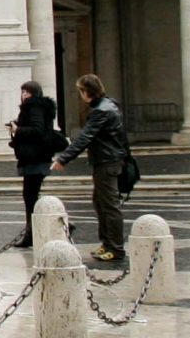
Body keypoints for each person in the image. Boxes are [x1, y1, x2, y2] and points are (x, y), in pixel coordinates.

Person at [52, 73, 136, 262]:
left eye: (80, 91)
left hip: (107, 162)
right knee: (100, 203)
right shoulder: (109, 105)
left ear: (86, 91)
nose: (80, 95)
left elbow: (85, 137)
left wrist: (64, 158)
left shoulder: (101, 111)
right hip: (109, 161)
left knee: (109, 206)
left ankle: (115, 248)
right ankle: (107, 243)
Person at [7, 79, 61, 248]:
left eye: (27, 92)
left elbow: (37, 130)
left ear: (34, 94)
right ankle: (36, 230)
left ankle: (50, 226)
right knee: (31, 195)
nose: (24, 95)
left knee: (30, 196)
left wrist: (18, 130)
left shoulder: (34, 107)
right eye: (22, 92)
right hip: (36, 156)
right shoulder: (36, 107)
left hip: (35, 157)